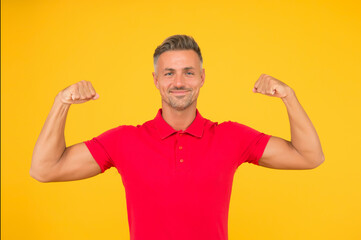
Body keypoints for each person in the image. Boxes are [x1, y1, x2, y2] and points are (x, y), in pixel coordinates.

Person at [30, 34, 324, 240]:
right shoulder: (125, 141)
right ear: (156, 80)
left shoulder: (230, 137)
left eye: (188, 72)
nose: (179, 82)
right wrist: (61, 103)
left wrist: (289, 96)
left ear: (202, 77)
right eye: (169, 73)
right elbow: (44, 169)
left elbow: (309, 156)